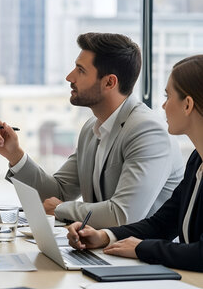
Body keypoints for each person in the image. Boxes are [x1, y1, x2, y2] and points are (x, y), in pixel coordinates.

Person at [0, 33, 183, 228]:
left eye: (80, 70)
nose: (69, 77)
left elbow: (122, 215)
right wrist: (14, 155)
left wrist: (61, 209)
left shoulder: (147, 131)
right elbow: (58, 193)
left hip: (140, 256)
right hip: (100, 248)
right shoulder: (92, 128)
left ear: (109, 82)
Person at [67, 55, 203, 271]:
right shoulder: (197, 160)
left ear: (187, 104)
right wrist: (104, 236)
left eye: (168, 96)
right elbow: (163, 223)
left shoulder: (148, 130)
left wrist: (142, 249)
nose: (164, 105)